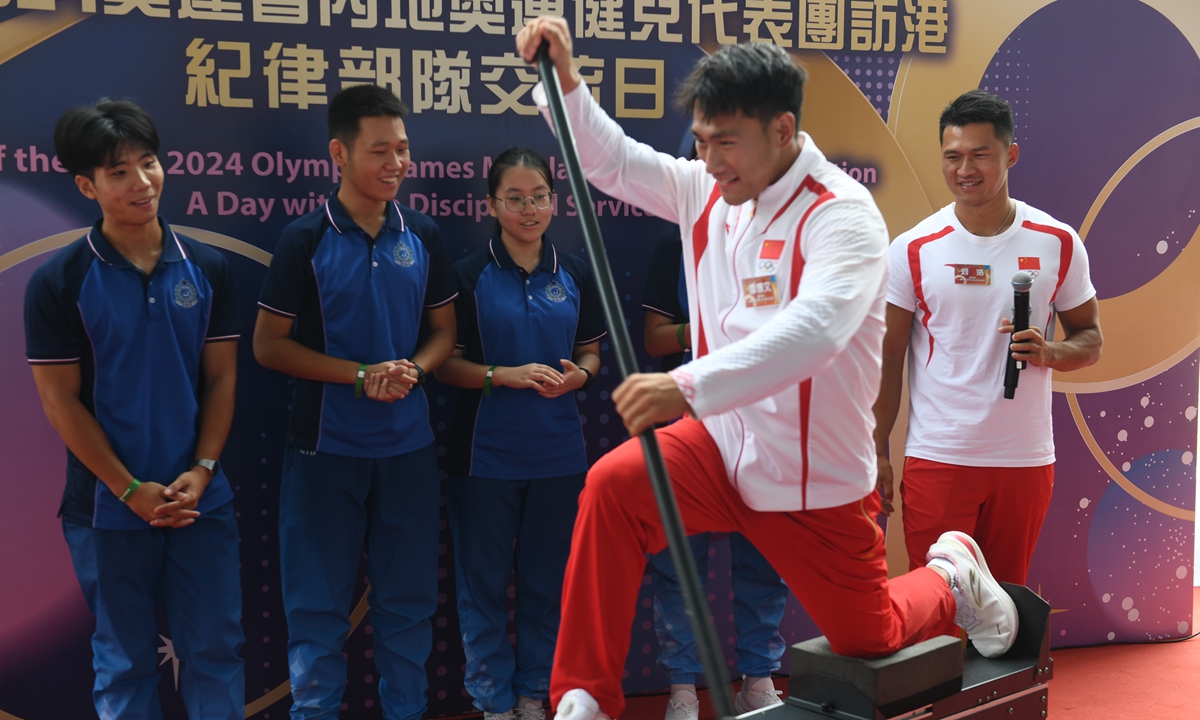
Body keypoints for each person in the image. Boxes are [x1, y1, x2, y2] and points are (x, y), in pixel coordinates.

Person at [514, 21, 1021, 720]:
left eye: (727, 141)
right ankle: (584, 697)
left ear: (782, 130)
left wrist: (684, 384)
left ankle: (951, 573)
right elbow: (614, 163)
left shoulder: (844, 216)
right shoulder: (704, 192)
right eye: (700, 140)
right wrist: (562, 81)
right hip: (719, 444)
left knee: (866, 632)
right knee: (613, 487)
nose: (710, 159)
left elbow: (813, 332)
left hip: (809, 473)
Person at [25, 99, 245, 719]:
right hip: (107, 509)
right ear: (85, 184)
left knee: (216, 651)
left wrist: (201, 470)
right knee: (124, 664)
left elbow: (223, 379)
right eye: (118, 171)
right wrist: (129, 490)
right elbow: (58, 400)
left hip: (201, 501)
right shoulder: (60, 282)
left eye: (148, 163)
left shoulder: (208, 267)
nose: (141, 182)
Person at [252, 84, 457, 720]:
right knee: (316, 608)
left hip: (408, 451)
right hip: (324, 450)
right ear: (338, 154)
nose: (396, 163)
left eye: (402, 149)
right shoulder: (304, 239)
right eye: (380, 151)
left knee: (408, 601)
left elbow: (445, 334)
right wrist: (360, 374)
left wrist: (411, 373)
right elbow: (268, 348)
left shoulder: (421, 233)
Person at [873, 91, 1101, 611]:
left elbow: (1091, 339)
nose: (964, 169)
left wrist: (1051, 353)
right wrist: (877, 448)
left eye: (980, 154)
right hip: (940, 455)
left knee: (1003, 612)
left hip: (1023, 459)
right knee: (939, 607)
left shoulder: (1056, 241)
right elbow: (887, 360)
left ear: (1010, 155)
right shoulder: (914, 247)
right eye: (952, 156)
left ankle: (995, 699)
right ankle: (937, 698)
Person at [435, 147, 605, 720]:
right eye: (514, 198)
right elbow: (443, 363)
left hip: (559, 456)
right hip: (483, 457)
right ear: (492, 204)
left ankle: (535, 695)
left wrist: (579, 375)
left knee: (547, 584)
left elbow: (591, 353)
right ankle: (493, 703)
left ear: (554, 202)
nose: (528, 209)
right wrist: (501, 376)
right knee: (480, 587)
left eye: (539, 197)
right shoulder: (466, 274)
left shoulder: (576, 270)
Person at [642, 228, 788, 720]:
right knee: (679, 563)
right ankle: (683, 691)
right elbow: (655, 338)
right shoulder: (674, 244)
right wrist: (709, 327)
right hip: (687, 425)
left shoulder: (780, 241)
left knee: (763, 558)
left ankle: (759, 680)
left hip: (763, 423)